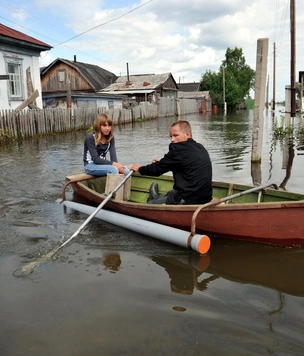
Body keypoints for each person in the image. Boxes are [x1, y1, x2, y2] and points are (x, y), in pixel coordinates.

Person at [131, 120, 212, 205]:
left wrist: (139, 169)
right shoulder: (200, 147)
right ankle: (157, 197)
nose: (172, 140)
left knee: (149, 205)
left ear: (187, 134)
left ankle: (153, 200)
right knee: (172, 193)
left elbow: (156, 170)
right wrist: (164, 162)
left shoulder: (178, 149)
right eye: (171, 136)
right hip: (206, 198)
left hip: (188, 200)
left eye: (175, 135)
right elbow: (184, 164)